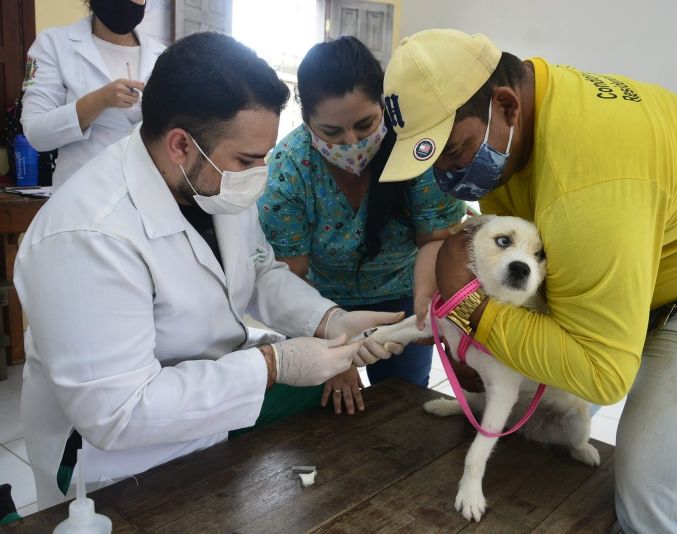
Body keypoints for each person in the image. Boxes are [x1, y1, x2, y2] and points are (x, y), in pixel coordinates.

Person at [378, 29, 677, 533]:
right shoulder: (527, 126)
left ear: (507, 105)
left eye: (456, 150)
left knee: (652, 480)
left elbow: (603, 372)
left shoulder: (591, 183)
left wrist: (470, 310)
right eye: (434, 162)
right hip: (647, 265)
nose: (447, 175)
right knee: (550, 387)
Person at [15, 32, 407, 510]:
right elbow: (117, 413)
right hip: (112, 465)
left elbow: (260, 271)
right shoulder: (88, 237)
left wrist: (331, 320)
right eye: (247, 159)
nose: (260, 172)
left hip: (207, 411)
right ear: (181, 143)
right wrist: (273, 364)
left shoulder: (214, 184)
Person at [258, 36, 465, 414]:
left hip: (402, 296)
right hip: (316, 304)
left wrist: (423, 307)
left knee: (402, 406)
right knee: (330, 411)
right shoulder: (289, 168)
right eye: (331, 132)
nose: (351, 143)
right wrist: (329, 350)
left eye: (365, 124)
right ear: (306, 121)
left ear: (384, 107)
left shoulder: (415, 151)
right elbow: (289, 275)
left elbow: (436, 239)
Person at [21, 0, 165, 189]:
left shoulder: (163, 56)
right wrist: (99, 100)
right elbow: (37, 134)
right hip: (82, 198)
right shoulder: (53, 45)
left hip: (148, 195)